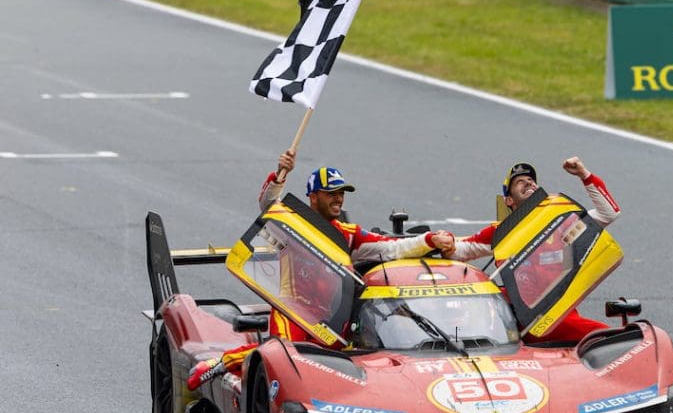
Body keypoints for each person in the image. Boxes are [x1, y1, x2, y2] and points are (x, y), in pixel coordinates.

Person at [188, 151, 456, 390]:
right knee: (281, 359)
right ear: (313, 197)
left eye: (342, 193)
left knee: (341, 364)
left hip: (329, 319)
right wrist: (281, 174)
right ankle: (221, 363)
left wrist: (428, 240)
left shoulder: (348, 234)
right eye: (332, 193)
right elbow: (268, 203)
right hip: (291, 312)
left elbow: (392, 248)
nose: (339, 198)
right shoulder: (290, 221)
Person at [444, 157, 620, 343]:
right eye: (520, 182)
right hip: (518, 320)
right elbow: (457, 251)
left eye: (531, 180)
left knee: (612, 340)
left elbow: (609, 213)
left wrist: (584, 174)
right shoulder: (500, 231)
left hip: (559, 314)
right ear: (509, 200)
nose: (528, 182)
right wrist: (437, 240)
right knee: (610, 339)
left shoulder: (563, 222)